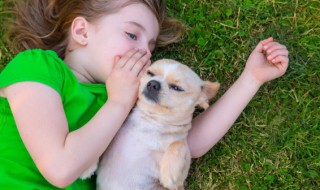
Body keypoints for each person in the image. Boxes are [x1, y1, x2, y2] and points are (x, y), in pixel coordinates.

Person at [0, 0, 289, 189]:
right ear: (81, 31)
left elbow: (189, 142)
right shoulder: (37, 67)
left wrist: (251, 79)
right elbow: (60, 168)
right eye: (131, 35)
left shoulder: (126, 97)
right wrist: (117, 102)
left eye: (150, 46)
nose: (144, 53)